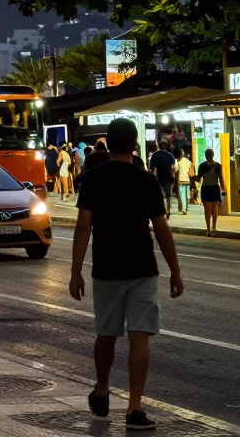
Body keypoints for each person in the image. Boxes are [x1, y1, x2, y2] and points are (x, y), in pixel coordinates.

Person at [71, 117, 184, 432]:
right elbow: (161, 229)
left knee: (106, 334)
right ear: (135, 145)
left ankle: (102, 388)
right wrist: (175, 271)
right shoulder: (146, 181)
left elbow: (83, 227)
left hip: (106, 267)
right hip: (142, 266)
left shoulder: (93, 179)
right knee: (140, 335)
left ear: (107, 143)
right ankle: (134, 408)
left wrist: (76, 271)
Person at [196, 148, 226, 236]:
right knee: (215, 209)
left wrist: (193, 177)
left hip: (205, 188)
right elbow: (221, 178)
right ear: (213, 155)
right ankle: (214, 228)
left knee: (207, 210)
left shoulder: (202, 166)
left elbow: (198, 179)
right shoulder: (218, 166)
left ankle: (208, 230)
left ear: (205, 156)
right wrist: (223, 189)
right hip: (215, 188)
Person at [148, 142, 177, 220]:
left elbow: (153, 169)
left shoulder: (155, 155)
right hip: (168, 178)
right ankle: (168, 211)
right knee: (168, 196)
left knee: (158, 196)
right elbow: (173, 167)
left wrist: (153, 178)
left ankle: (161, 212)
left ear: (158, 146)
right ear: (166, 146)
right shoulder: (170, 155)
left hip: (158, 179)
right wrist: (173, 177)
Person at [175, 149, 192, 216]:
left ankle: (184, 209)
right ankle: (186, 207)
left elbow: (176, 170)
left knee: (182, 195)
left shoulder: (178, 161)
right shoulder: (188, 161)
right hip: (187, 179)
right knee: (187, 194)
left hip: (181, 179)